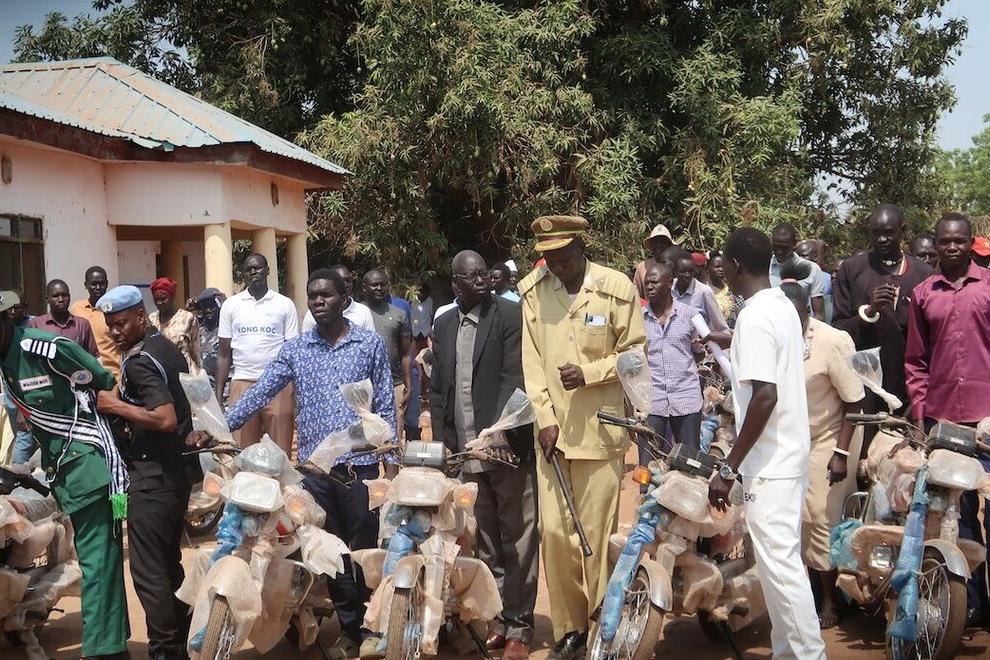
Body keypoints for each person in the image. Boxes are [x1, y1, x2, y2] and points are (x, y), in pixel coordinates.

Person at [205, 268, 398, 659]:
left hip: (359, 468)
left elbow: (384, 405)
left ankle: (371, 626)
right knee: (328, 551)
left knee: (361, 550)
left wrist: (390, 460)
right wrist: (220, 427)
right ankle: (348, 630)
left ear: (345, 300)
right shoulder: (297, 349)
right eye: (312, 296)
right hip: (314, 473)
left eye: (326, 295)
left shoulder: (368, 344)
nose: (318, 301)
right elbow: (261, 390)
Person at [519, 215, 647, 659]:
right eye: (549, 259)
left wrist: (591, 373)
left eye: (563, 257)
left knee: (596, 537)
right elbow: (532, 364)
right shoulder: (534, 293)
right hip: (552, 436)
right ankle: (569, 630)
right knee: (555, 535)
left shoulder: (615, 288)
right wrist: (544, 418)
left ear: (579, 247)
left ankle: (600, 628)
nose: (556, 266)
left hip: (600, 431)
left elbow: (635, 354)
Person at [706, 227, 826, 659]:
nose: (721, 269)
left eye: (724, 262)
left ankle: (810, 654)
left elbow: (765, 396)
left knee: (782, 569)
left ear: (736, 265)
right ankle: (787, 652)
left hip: (771, 464)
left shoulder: (755, 316)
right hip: (788, 456)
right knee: (779, 567)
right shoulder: (781, 306)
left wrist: (728, 467)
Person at [0, 291, 130, 659]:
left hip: (89, 467)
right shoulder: (7, 361)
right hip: (62, 472)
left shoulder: (42, 348)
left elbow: (103, 379)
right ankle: (113, 643)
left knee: (97, 562)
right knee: (100, 560)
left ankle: (102, 650)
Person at [430, 251, 537, 660]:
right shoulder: (444, 323)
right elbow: (439, 389)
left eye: (484, 274)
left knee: (518, 537)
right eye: (472, 276)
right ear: (455, 284)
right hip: (465, 451)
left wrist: (496, 435)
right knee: (487, 539)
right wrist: (442, 445)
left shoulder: (508, 315)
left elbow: (514, 378)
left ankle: (520, 628)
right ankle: (497, 620)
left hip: (505, 449)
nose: (482, 280)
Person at [94, 285, 193, 660]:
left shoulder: (139, 361)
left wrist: (114, 406)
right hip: (175, 473)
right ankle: (181, 639)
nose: (115, 332)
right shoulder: (164, 346)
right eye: (110, 326)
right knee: (167, 563)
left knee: (149, 572)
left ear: (140, 316)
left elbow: (164, 417)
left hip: (152, 478)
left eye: (121, 323)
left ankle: (165, 649)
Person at [905, 212, 990, 626]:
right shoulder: (923, 295)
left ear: (970, 242)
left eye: (959, 240)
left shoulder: (988, 287)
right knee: (958, 514)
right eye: (945, 241)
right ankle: (970, 604)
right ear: (936, 244)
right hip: (945, 423)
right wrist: (921, 418)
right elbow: (916, 362)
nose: (952, 247)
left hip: (987, 418)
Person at [780, 275, 865, 629]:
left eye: (796, 314)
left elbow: (855, 402)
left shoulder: (832, 341)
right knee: (794, 514)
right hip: (793, 438)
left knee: (819, 512)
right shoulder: (775, 339)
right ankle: (811, 592)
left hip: (834, 434)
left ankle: (831, 600)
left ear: (808, 310)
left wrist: (840, 452)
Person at [832, 203, 932, 445]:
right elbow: (839, 329)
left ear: (902, 230)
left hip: (909, 385)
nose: (881, 239)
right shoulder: (852, 270)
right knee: (863, 454)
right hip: (863, 385)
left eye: (888, 233)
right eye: (875, 233)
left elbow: (931, 336)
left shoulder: (924, 274)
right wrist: (869, 312)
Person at [215, 253, 298, 453]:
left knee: (280, 453)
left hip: (277, 385)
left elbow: (293, 352)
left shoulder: (284, 304)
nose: (253, 272)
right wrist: (218, 396)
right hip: (243, 382)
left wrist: (296, 392)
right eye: (248, 269)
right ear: (243, 274)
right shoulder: (231, 305)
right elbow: (224, 354)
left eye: (258, 268)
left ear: (267, 270)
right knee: (242, 453)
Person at [640, 261, 704, 463]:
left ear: (669, 283)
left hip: (686, 399)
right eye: (647, 283)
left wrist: (698, 349)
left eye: (654, 282)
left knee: (689, 464)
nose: (649, 287)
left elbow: (702, 350)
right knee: (648, 466)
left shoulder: (690, 315)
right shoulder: (638, 319)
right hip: (652, 402)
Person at [363, 269, 413, 437]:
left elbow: (406, 353)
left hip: (394, 383)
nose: (379, 288)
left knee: (393, 437)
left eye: (383, 284)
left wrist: (408, 384)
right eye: (374, 285)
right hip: (363, 386)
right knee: (366, 439)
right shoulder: (357, 313)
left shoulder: (398, 314)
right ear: (364, 287)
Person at [70, 265, 121, 378]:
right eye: (94, 284)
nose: (98, 287)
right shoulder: (76, 308)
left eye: (101, 283)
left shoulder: (115, 308)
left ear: (107, 284)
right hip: (86, 375)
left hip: (113, 374)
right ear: (86, 285)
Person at [28, 279, 100, 357]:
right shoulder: (36, 324)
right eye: (55, 296)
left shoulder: (82, 324)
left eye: (64, 295)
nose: (61, 299)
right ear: (47, 299)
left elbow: (92, 356)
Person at [768, 224, 826, 319]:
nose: (779, 251)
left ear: (794, 243)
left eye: (784, 247)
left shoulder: (812, 269)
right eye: (776, 246)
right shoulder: (764, 268)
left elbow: (819, 314)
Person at [149, 277, 201, 374]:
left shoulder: (188, 319)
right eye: (156, 299)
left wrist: (199, 375)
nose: (159, 303)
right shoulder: (151, 320)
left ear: (172, 296)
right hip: (160, 373)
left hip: (184, 374)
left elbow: (195, 352)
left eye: (163, 299)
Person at [302, 264, 376, 333]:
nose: (345, 284)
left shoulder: (363, 312)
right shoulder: (313, 313)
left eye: (348, 280)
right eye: (340, 280)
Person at [672, 252, 729, 332]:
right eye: (683, 271)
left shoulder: (704, 292)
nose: (687, 275)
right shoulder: (667, 288)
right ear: (675, 271)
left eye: (690, 271)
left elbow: (722, 327)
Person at [632, 223, 676, 299]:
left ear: (669, 245)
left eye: (662, 241)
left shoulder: (677, 266)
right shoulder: (642, 268)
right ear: (651, 246)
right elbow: (635, 295)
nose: (658, 245)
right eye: (655, 242)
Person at [796, 239, 834, 323]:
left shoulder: (827, 279)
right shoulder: (791, 274)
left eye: (804, 256)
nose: (800, 260)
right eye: (798, 256)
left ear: (815, 257)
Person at [194, 288, 226, 388]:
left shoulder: (226, 330)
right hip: (203, 388)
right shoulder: (197, 331)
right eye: (205, 307)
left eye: (212, 306)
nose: (208, 310)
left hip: (224, 387)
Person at [707, 252, 738, 326]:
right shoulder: (705, 291)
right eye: (717, 267)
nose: (721, 269)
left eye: (723, 266)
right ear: (708, 267)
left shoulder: (732, 289)